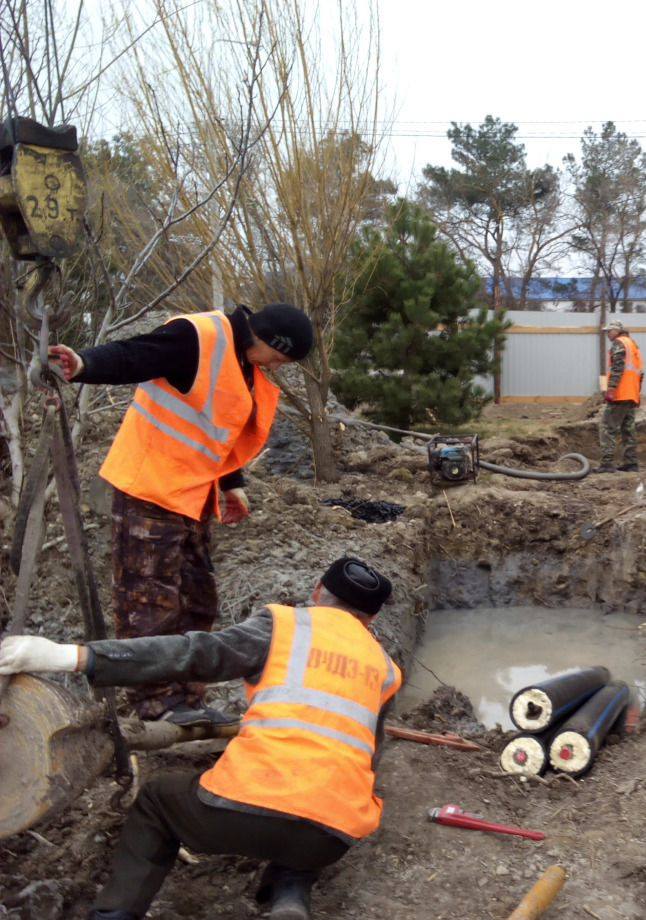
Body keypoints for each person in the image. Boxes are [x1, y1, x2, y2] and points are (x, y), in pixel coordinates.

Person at [0, 556, 401, 920]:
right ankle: (290, 892)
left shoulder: (285, 625)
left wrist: (72, 656)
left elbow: (191, 653)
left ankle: (115, 914)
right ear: (371, 619)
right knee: (318, 801)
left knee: (157, 802)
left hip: (240, 816)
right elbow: (367, 757)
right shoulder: (385, 668)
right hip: (332, 837)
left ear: (317, 592)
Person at [48, 303, 313, 727]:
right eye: (280, 358)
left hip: (191, 495)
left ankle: (187, 701)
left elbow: (214, 426)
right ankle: (155, 706)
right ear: (265, 339)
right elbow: (134, 354)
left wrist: (231, 484)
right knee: (148, 605)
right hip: (149, 489)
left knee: (197, 600)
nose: (278, 367)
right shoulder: (199, 337)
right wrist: (84, 363)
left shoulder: (244, 362)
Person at [593, 319, 644, 474]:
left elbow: (618, 367)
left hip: (620, 394)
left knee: (607, 427)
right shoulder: (633, 345)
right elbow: (640, 373)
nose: (608, 334)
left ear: (616, 331)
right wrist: (637, 393)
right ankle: (631, 462)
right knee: (628, 429)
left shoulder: (619, 343)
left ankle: (607, 463)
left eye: (609, 331)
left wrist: (611, 389)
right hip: (631, 394)